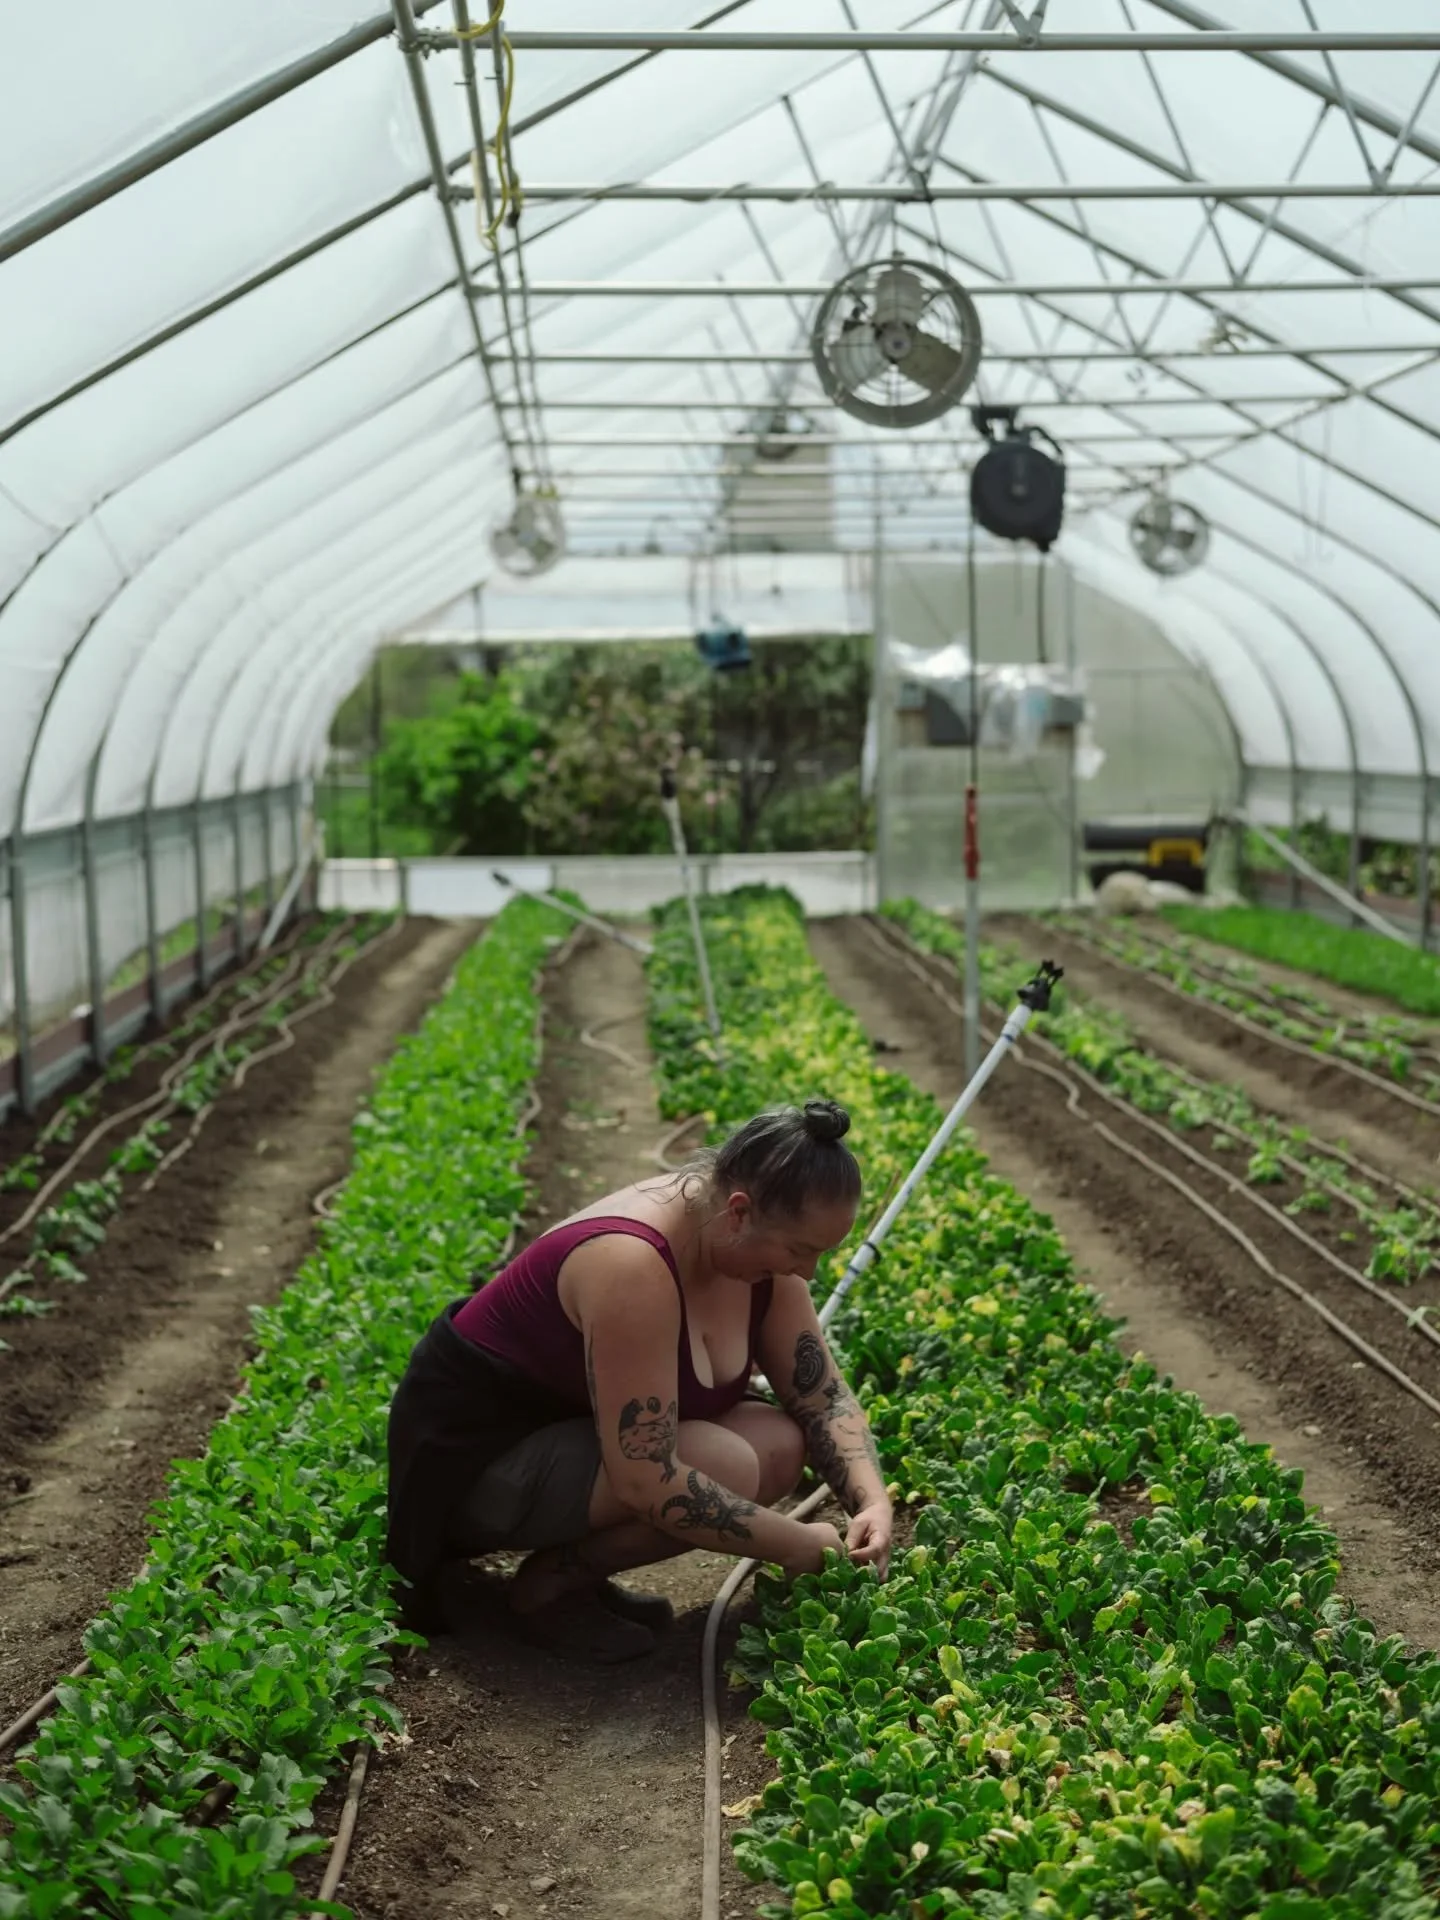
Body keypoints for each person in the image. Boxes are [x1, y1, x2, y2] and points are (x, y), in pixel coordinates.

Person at [386, 1099, 893, 1662]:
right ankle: (548, 1587)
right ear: (740, 1212)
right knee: (722, 1462)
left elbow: (820, 1397)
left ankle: (575, 1571)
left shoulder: (749, 1251)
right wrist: (797, 1544)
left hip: (570, 1439)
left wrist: (872, 1502)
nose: (808, 1271)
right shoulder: (633, 1265)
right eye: (800, 1250)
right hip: (479, 1467)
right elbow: (644, 1477)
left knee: (777, 1443)